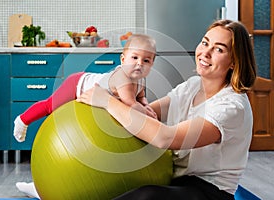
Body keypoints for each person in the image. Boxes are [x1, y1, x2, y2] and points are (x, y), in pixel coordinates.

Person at [79, 19, 257, 200]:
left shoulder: (232, 106)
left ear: (234, 62)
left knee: (147, 196)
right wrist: (123, 94)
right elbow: (149, 113)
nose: (206, 53)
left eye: (219, 49)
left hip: (208, 191)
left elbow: (165, 137)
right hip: (173, 178)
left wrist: (108, 102)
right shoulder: (192, 86)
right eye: (205, 43)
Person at [13, 33, 157, 143]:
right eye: (135, 58)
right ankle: (22, 120)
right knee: (50, 106)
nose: (139, 64)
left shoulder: (140, 78)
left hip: (89, 84)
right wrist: (148, 114)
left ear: (152, 64)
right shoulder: (123, 79)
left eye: (146, 60)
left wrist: (145, 104)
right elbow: (130, 104)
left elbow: (139, 96)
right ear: (123, 59)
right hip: (77, 84)